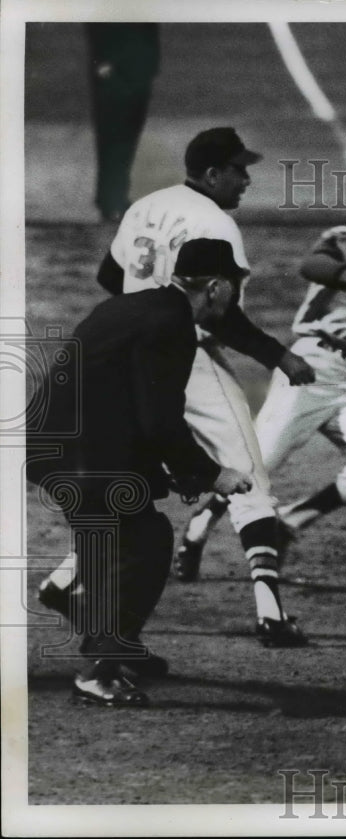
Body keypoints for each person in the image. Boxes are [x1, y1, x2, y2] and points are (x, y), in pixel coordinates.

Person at [36, 127, 315, 648]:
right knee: (247, 474)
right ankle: (271, 612)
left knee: (128, 484)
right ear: (212, 174)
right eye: (239, 169)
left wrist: (147, 313)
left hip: (128, 361)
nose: (247, 179)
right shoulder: (215, 225)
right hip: (189, 356)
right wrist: (280, 355)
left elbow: (108, 276)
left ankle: (63, 581)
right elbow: (223, 315)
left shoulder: (148, 204)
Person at [27, 239, 253, 707]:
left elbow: (126, 401)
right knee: (146, 540)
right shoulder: (174, 326)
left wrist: (161, 473)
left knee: (108, 532)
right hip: (86, 450)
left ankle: (107, 637)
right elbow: (158, 420)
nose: (234, 296)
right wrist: (212, 475)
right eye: (233, 286)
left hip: (56, 441)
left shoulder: (132, 306)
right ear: (214, 287)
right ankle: (100, 670)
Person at [172, 174, 346, 568]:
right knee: (257, 466)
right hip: (313, 367)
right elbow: (313, 266)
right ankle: (200, 526)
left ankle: (290, 522)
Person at [85, 23, 160, 223]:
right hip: (113, 68)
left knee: (129, 133)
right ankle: (110, 201)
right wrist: (102, 59)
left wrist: (152, 62)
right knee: (112, 133)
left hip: (139, 66)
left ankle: (116, 197)